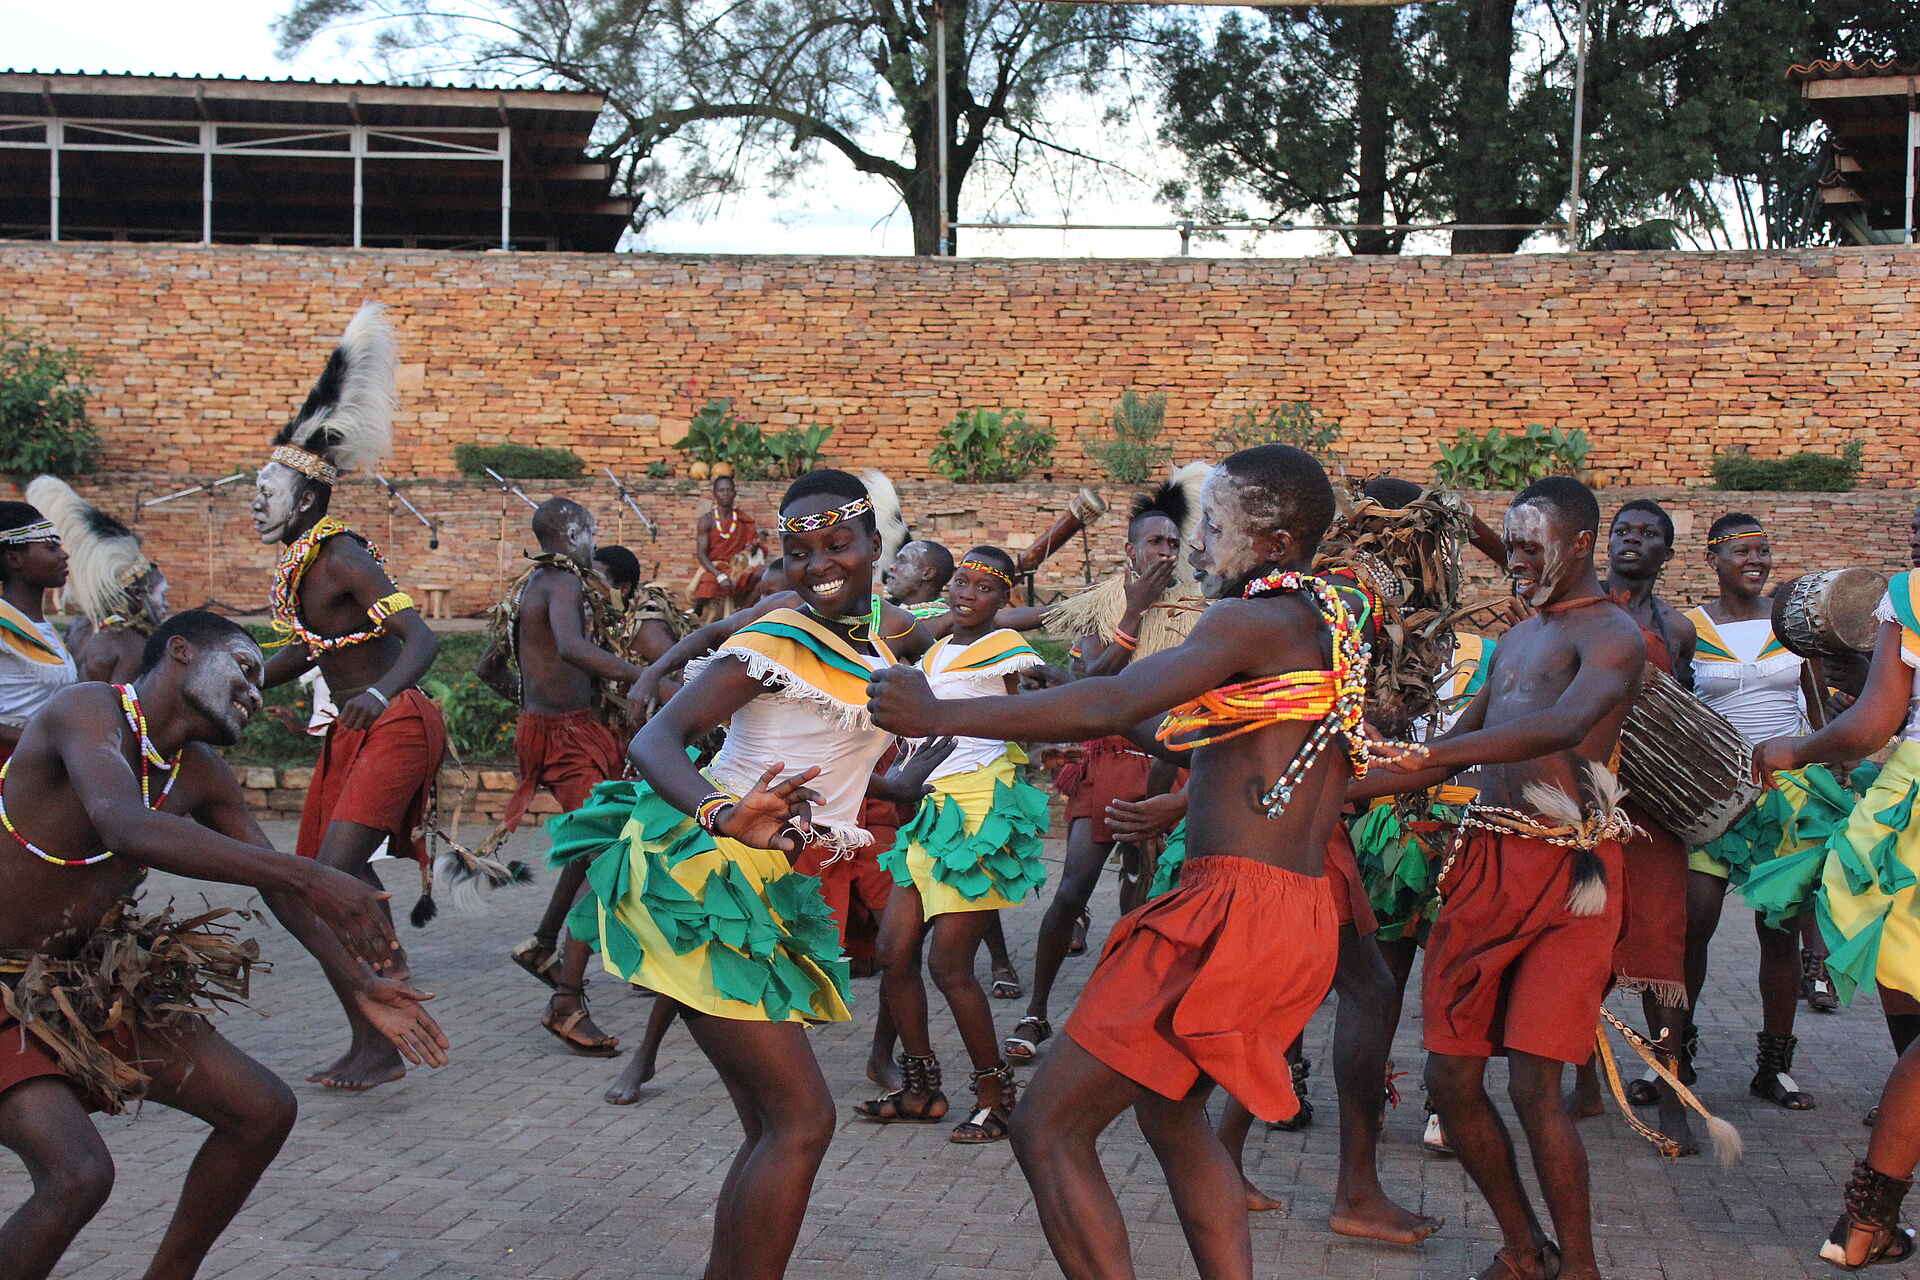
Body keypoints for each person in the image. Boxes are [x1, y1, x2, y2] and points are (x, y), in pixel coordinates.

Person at [870, 444, 1409, 1278]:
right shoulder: (1323, 618)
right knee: (1171, 1116)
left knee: (1046, 1125)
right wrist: (1090, 706)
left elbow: (1122, 695)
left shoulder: (1249, 619)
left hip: (1230, 909)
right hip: (1285, 906)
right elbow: (1198, 742)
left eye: (1215, 526)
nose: (1197, 545)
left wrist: (937, 708)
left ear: (1270, 542)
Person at [548, 468, 931, 1277]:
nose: (820, 564)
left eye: (838, 545)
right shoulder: (775, 640)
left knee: (774, 1125)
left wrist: (909, 779)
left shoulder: (882, 644)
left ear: (874, 546)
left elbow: (849, 764)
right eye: (800, 552)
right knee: (802, 1123)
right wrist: (722, 812)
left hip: (766, 879)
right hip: (705, 876)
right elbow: (656, 743)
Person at [0, 609, 446, 1280]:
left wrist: (361, 985)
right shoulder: (87, 712)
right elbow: (125, 825)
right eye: (243, 668)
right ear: (179, 651)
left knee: (261, 1110)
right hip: (3, 985)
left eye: (263, 683)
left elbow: (285, 896)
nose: (254, 692)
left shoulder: (201, 773)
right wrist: (314, 872)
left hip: (81, 978)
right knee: (78, 1175)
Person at [1359, 475, 1646, 1280]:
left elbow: (1560, 725)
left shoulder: (1614, 636)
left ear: (1579, 542)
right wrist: (1347, 786)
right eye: (1510, 545)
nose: (1514, 559)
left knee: (1533, 1089)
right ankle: (1524, 1248)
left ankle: (1579, 1268)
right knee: (1451, 1080)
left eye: (1529, 545)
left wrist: (1431, 757)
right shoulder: (1519, 639)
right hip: (1486, 863)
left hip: (1570, 873)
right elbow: (1463, 732)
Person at [252, 303, 447, 1092]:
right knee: (336, 880)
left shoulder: (343, 557)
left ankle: (383, 1034)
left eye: (265, 489)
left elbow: (422, 641)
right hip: (353, 728)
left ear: (305, 497)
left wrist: (378, 696)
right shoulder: (303, 568)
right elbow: (313, 648)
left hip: (394, 722)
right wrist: (225, 689)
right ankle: (381, 1029)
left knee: (331, 879)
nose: (254, 501)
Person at [1755, 512, 1920, 1267]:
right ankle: (1864, 1221)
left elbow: (1873, 723)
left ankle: (1867, 1224)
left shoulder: (1911, 593)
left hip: (1903, 822)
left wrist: (1796, 748)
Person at [1003, 468, 1206, 1064]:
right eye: (1155, 542)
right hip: (1110, 760)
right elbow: (1093, 682)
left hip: (1173, 765)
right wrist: (1134, 608)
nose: (1166, 552)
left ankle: (1118, 1017)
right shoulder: (1101, 603)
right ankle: (1037, 1010)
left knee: (1143, 895)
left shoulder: (1203, 612)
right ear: (1130, 548)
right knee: (1072, 888)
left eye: (1174, 543)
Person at [1655, 513, 1847, 1119]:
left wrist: (1835, 776)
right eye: (1743, 551)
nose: (1757, 561)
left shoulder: (1791, 624)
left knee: (1778, 930)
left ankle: (1774, 1067)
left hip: (1787, 794)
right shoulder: (1689, 628)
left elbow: (1816, 708)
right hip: (1714, 790)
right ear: (1714, 559)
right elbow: (1674, 706)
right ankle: (1673, 1060)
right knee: (1695, 920)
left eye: (1764, 551)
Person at [857, 545, 1049, 1143]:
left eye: (982, 588)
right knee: (894, 951)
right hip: (930, 805)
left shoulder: (1006, 650)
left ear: (1003, 599)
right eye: (960, 583)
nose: (966, 594)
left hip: (977, 810)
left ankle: (996, 1092)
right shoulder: (940, 647)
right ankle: (920, 1085)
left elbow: (1046, 699)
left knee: (950, 965)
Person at [1557, 499, 1697, 1147]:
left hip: (1655, 811)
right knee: (1583, 941)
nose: (1633, 541)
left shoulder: (1677, 629)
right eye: (1624, 531)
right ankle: (1583, 1082)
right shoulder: (1580, 612)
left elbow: (1681, 719)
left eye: (1649, 535)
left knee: (1662, 948)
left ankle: (1672, 1092)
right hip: (1589, 801)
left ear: (1668, 556)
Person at [491, 499, 653, 1057]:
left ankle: (542, 942)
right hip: (566, 736)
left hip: (557, 729)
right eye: (591, 531)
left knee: (593, 844)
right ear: (574, 533)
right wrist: (645, 676)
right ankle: (565, 999)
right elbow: (569, 648)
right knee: (609, 850)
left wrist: (534, 701)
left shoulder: (527, 585)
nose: (593, 541)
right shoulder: (561, 581)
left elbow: (489, 666)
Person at [25, 476, 169, 685]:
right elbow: (123, 712)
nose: (167, 604)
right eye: (162, 594)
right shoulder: (131, 646)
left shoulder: (79, 628)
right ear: (138, 594)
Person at [0, 503, 76, 762]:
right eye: (51, 547)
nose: (63, 556)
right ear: (14, 558)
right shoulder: (3, 623)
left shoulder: (44, 629)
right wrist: (57, 741)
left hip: (45, 767)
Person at [689, 473, 763, 622]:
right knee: (708, 582)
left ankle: (745, 612)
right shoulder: (706, 520)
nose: (726, 494)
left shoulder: (744, 520)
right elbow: (702, 555)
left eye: (729, 490)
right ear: (714, 494)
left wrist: (752, 549)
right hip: (714, 567)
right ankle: (697, 613)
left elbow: (752, 550)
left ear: (735, 493)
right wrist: (720, 575)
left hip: (738, 567)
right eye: (721, 490)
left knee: (762, 573)